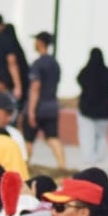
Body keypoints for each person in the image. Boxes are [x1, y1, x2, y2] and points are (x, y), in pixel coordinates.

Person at [24, 31, 67, 172]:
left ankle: (23, 166)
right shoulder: (55, 64)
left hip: (39, 106)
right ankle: (62, 166)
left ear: (40, 43)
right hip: (52, 106)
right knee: (52, 137)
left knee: (28, 139)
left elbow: (35, 88)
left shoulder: (38, 64)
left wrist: (31, 111)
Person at [75, 48, 108, 170]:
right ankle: (100, 160)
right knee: (102, 136)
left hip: (86, 109)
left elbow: (79, 81)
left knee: (87, 136)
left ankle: (88, 161)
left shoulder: (85, 72)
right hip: (104, 111)